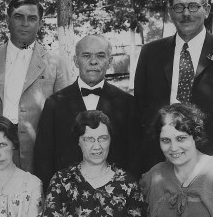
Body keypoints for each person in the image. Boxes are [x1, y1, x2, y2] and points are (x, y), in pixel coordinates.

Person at [134, 0, 213, 173]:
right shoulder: (150, 53)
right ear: (170, 12)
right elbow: (141, 106)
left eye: (194, 6)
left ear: (207, 10)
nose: (186, 13)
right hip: (162, 159)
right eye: (179, 7)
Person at [0, 0, 73, 172]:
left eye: (32, 19)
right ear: (7, 20)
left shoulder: (55, 63)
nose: (25, 24)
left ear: (40, 23)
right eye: (18, 17)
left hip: (37, 149)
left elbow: (64, 115)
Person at [34, 35, 136, 186]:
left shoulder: (127, 103)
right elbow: (43, 156)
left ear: (110, 61)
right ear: (76, 61)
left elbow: (134, 156)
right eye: (86, 55)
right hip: (67, 191)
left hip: (114, 192)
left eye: (100, 56)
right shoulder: (55, 103)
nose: (93, 61)